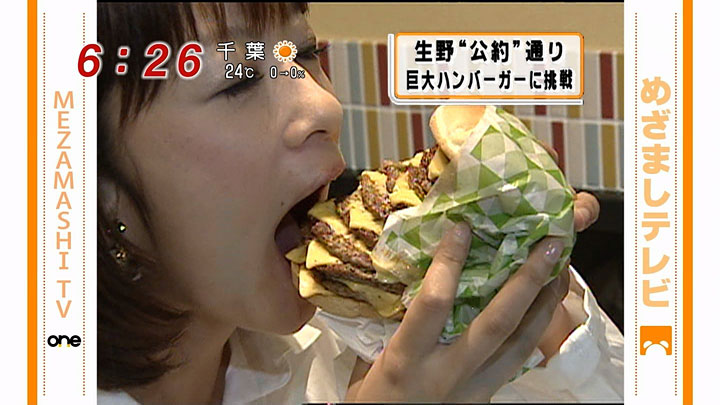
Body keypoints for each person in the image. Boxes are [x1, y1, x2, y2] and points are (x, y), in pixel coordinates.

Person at [97, 3, 622, 404]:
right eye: (238, 80)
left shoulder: (351, 340)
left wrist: (543, 323)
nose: (324, 104)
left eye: (305, 53)